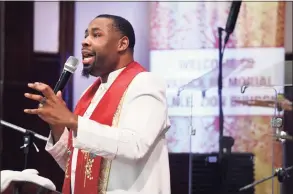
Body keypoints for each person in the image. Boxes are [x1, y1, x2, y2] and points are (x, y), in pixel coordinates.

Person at [23, 14, 171, 194]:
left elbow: (136, 145)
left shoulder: (145, 83)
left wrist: (71, 120)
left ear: (122, 44)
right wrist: (58, 124)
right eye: (86, 35)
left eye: (96, 35)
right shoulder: (90, 94)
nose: (85, 41)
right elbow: (77, 167)